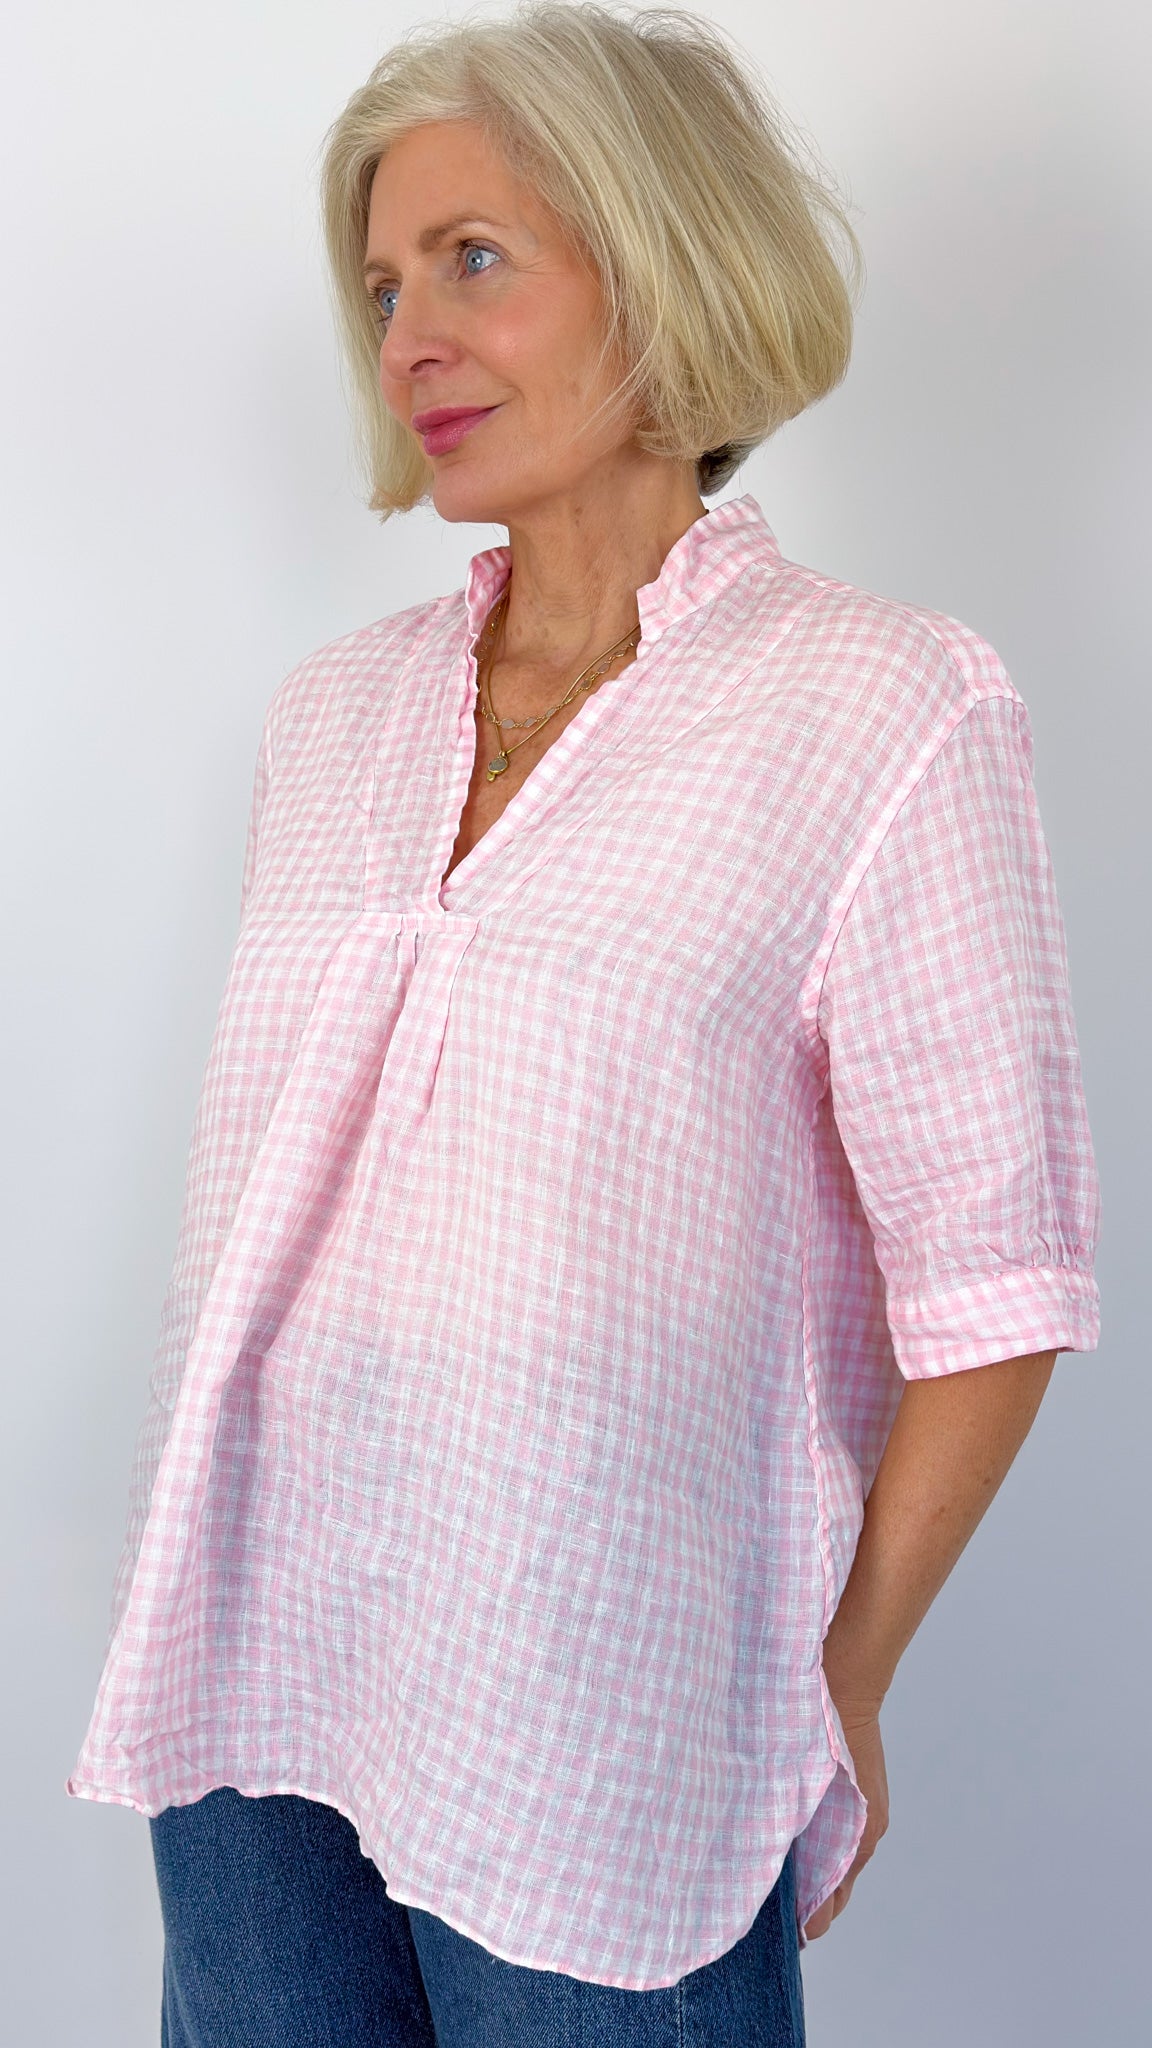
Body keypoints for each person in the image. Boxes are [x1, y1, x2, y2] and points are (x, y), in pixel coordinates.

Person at [67, 5, 1101, 2043]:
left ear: (665, 260)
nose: (408, 339)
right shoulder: (334, 715)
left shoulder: (883, 707)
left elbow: (993, 1284)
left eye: (474, 258)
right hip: (251, 1657)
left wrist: (844, 1674)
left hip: (605, 1703)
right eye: (384, 285)